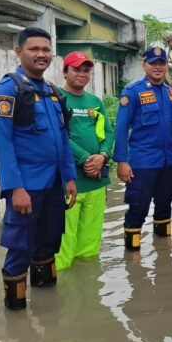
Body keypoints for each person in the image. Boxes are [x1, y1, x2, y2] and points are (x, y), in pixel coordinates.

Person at [0, 27, 77, 310]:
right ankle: (16, 316)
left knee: (49, 243)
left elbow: (62, 138)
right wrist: (15, 189)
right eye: (34, 49)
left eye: (46, 50)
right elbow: (2, 145)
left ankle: (47, 309)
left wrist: (70, 178)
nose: (41, 55)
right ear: (18, 51)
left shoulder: (51, 92)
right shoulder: (7, 91)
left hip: (52, 185)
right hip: (27, 188)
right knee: (20, 248)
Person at [114, 47, 172, 251]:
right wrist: (122, 161)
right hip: (142, 164)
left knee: (165, 205)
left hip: (167, 162)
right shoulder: (133, 92)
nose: (158, 67)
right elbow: (121, 128)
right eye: (153, 63)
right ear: (144, 65)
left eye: (162, 63)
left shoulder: (171, 93)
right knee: (138, 209)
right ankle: (133, 259)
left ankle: (163, 256)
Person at [55, 51, 114, 270]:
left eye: (86, 70)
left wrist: (103, 156)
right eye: (76, 69)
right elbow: (59, 136)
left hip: (97, 182)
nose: (82, 74)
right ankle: (64, 295)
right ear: (65, 72)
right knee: (64, 244)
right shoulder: (56, 99)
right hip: (70, 182)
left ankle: (87, 290)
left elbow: (108, 132)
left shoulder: (95, 102)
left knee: (90, 247)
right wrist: (86, 159)